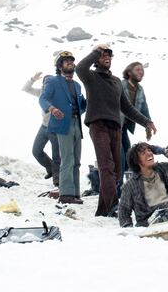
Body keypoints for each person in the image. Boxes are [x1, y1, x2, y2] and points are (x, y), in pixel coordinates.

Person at [76, 44, 157, 217]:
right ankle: (114, 206)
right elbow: (80, 67)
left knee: (118, 171)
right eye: (103, 55)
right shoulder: (91, 77)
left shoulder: (115, 82)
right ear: (97, 60)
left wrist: (146, 122)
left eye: (109, 55)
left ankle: (103, 210)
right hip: (99, 125)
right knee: (107, 167)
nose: (107, 57)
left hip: (116, 128)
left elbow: (126, 107)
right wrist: (96, 51)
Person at [39, 51, 87, 204]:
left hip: (76, 124)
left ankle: (75, 193)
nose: (70, 63)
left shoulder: (78, 85)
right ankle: (66, 194)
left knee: (77, 160)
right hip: (62, 124)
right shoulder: (53, 81)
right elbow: (43, 99)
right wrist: (52, 109)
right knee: (67, 158)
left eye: (72, 61)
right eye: (66, 61)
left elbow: (81, 106)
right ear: (60, 66)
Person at [118, 143, 168, 227]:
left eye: (149, 150)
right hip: (151, 222)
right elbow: (123, 211)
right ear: (136, 161)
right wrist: (129, 229)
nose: (149, 153)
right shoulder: (130, 185)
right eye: (143, 153)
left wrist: (164, 151)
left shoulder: (162, 169)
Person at [22, 71, 61, 184]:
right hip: (44, 127)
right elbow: (25, 89)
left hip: (55, 128)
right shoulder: (41, 93)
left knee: (57, 155)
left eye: (49, 82)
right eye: (44, 83)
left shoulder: (58, 94)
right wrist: (32, 79)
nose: (46, 85)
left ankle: (57, 179)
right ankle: (50, 168)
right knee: (36, 151)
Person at [119, 61, 152, 187]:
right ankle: (118, 188)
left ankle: (125, 185)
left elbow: (144, 108)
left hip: (124, 128)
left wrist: (148, 125)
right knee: (120, 157)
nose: (141, 72)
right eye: (138, 70)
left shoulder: (139, 89)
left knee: (128, 155)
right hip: (116, 125)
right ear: (129, 72)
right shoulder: (120, 85)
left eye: (142, 70)